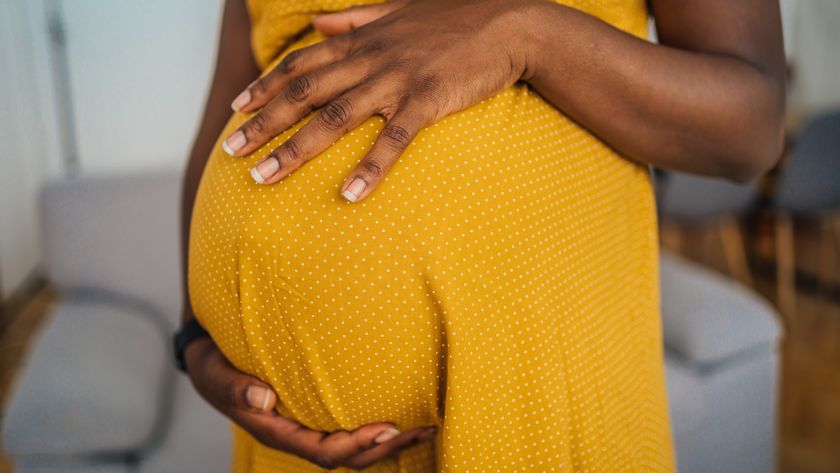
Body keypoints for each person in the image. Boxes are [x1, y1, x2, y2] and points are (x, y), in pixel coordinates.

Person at [176, 0, 785, 471]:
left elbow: (751, 127)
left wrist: (525, 34)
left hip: (535, 389)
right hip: (290, 444)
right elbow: (224, 119)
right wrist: (194, 334)